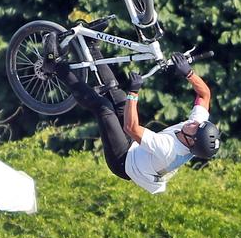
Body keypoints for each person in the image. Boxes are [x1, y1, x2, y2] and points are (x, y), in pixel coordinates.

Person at [53, 42, 219, 193]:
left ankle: (55, 66)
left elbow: (131, 129)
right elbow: (204, 95)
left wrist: (134, 93)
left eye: (195, 128)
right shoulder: (196, 129)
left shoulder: (169, 150)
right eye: (198, 124)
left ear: (191, 141)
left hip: (124, 162)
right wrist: (189, 73)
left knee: (104, 108)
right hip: (140, 149)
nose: (194, 123)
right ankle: (92, 47)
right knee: (119, 99)